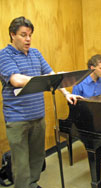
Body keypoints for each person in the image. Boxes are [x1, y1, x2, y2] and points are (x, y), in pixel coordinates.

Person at [0, 16, 83, 188]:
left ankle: (32, 184)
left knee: (38, 158)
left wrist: (66, 93)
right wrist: (42, 80)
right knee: (21, 164)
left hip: (38, 116)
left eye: (30, 35)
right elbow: (16, 80)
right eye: (23, 35)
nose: (28, 39)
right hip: (18, 119)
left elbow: (52, 76)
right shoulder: (4, 55)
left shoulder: (36, 53)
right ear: (12, 35)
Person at [72, 54, 101, 168]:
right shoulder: (79, 83)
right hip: (83, 116)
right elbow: (75, 107)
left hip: (97, 114)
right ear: (92, 68)